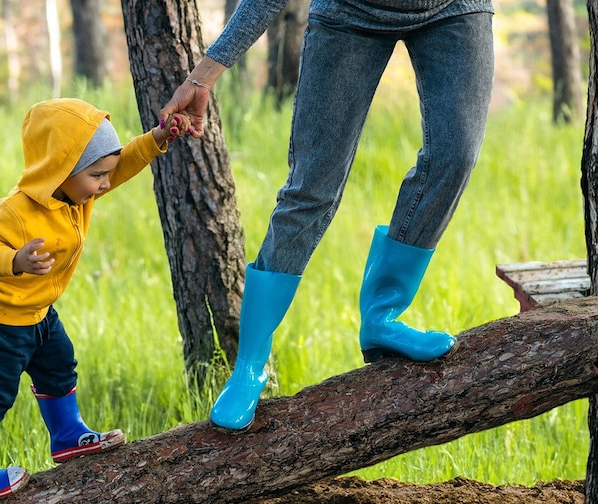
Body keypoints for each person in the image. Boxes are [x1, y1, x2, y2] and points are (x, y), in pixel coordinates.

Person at [160, 0, 494, 431]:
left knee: (455, 158)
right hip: (349, 14)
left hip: (454, 10)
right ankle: (249, 366)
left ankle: (382, 317)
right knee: (311, 188)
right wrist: (203, 76)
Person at [0, 98, 191, 501]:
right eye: (97, 176)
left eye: (105, 175)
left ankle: (67, 436)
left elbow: (122, 163)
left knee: (59, 366)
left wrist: (157, 138)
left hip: (39, 312)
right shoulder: (17, 211)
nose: (105, 184)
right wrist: (15, 260)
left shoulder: (78, 193)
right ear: (61, 169)